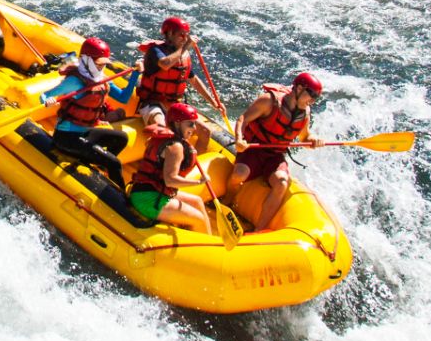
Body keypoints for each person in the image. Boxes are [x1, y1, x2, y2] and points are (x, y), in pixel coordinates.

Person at [217, 71, 322, 232]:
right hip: (254, 149)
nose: (313, 100)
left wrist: (313, 139)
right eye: (312, 95)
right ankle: (229, 198)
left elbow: (304, 136)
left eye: (316, 97)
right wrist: (239, 139)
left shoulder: (304, 113)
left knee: (281, 182)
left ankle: (259, 229)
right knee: (239, 174)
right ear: (299, 88)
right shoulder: (270, 101)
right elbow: (243, 119)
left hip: (275, 156)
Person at [31, 36, 129, 179]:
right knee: (114, 163)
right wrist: (48, 101)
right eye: (98, 64)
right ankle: (123, 199)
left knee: (122, 138)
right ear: (87, 60)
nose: (101, 67)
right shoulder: (74, 81)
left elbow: (123, 97)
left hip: (86, 132)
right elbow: (45, 95)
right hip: (66, 138)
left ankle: (92, 162)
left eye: (103, 64)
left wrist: (136, 74)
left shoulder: (102, 79)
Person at [127, 102, 214, 234]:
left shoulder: (167, 138)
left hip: (149, 190)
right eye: (190, 124)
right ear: (178, 123)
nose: (194, 128)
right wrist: (198, 182)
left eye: (194, 123)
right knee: (199, 220)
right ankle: (207, 251)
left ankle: (207, 241)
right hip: (148, 199)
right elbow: (170, 180)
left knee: (197, 201)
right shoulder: (175, 147)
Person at [121, 15, 226, 117]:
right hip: (151, 102)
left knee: (204, 130)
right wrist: (185, 47)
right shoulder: (155, 50)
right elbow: (165, 64)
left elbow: (194, 80)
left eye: (187, 35)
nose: (185, 39)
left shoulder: (182, 56)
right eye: (181, 35)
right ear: (170, 34)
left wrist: (214, 103)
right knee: (160, 125)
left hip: (174, 104)